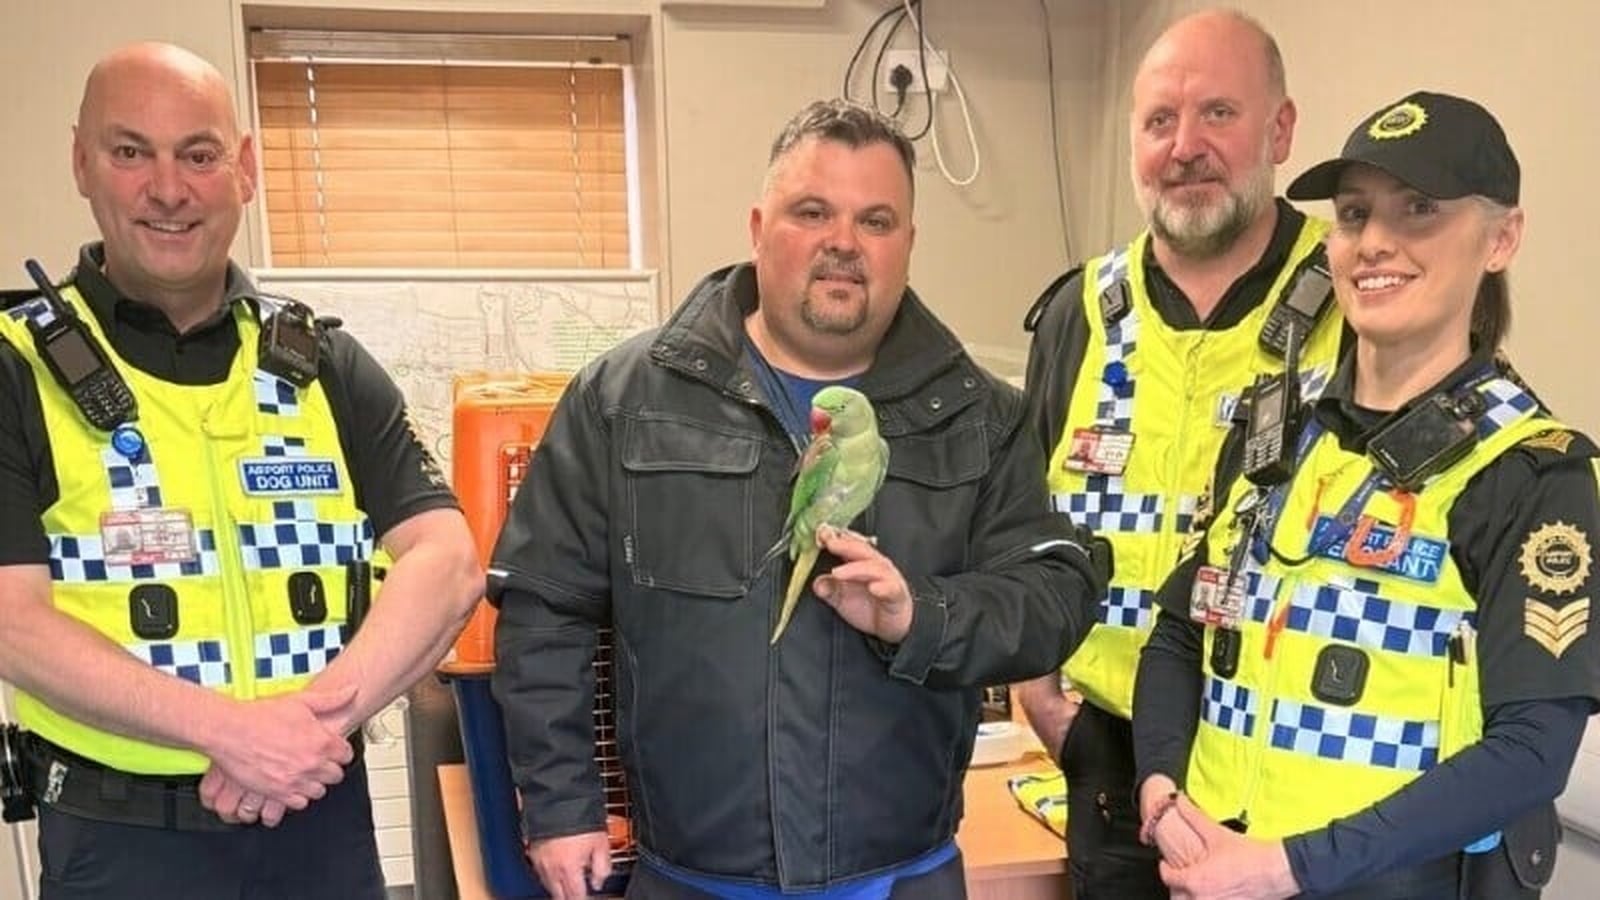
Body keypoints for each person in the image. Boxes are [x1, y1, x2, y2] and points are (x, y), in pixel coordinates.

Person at [488, 98, 1107, 900]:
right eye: (812, 212)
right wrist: (560, 805)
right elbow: (546, 607)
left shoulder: (981, 416)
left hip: (901, 879)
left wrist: (920, 617)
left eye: (875, 221)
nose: (843, 241)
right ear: (758, 228)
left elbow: (1053, 598)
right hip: (690, 880)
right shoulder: (624, 398)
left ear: (907, 243)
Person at [0, 43, 483, 899]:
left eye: (199, 154)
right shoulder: (16, 369)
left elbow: (447, 562)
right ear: (81, 161)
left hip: (319, 821)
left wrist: (307, 728)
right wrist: (228, 732)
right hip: (121, 845)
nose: (168, 189)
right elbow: (12, 619)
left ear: (245, 169)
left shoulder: (324, 363)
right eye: (130, 151)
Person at [1132, 91, 1600, 899]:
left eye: (1419, 209)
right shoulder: (1273, 436)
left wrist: (1285, 867)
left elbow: (1531, 751)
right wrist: (1162, 790)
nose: (1375, 242)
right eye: (1354, 214)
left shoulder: (1531, 473)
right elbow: (1180, 631)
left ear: (1501, 238)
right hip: (1213, 876)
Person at [1014, 10, 1344, 897]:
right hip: (1112, 765)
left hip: (1298, 776)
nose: (1185, 147)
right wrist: (1043, 700)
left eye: (1218, 114)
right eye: (1160, 120)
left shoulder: (1357, 294)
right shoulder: (1082, 311)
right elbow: (1020, 521)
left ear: (1280, 130)